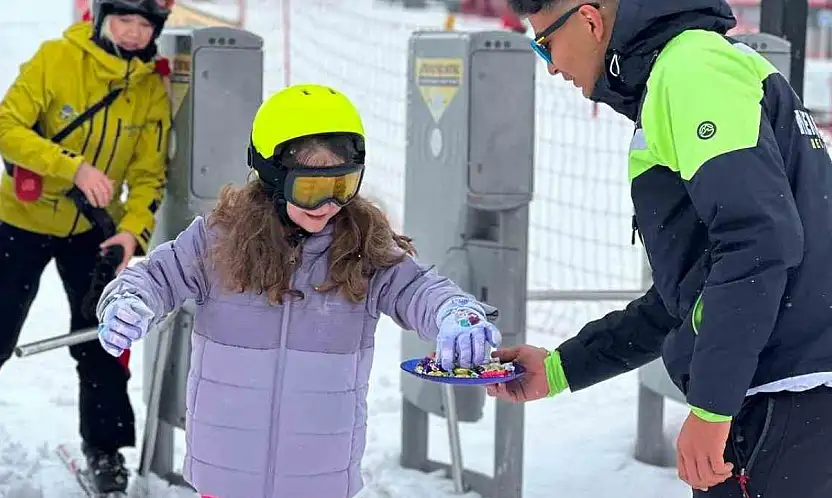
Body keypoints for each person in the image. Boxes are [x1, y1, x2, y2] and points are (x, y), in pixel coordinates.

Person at [490, 1, 832, 497]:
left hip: (783, 401)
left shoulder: (691, 69)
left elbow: (757, 243)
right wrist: (561, 368)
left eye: (545, 44)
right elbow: (691, 297)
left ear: (589, 20)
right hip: (785, 396)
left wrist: (713, 407)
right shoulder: (682, 71)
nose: (553, 66)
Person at [95, 84, 502, 498]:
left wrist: (454, 311)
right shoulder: (219, 240)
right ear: (272, 177)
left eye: (343, 185)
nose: (327, 204)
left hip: (319, 478)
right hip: (227, 471)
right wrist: (127, 300)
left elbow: (418, 289)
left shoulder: (362, 246)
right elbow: (155, 277)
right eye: (310, 188)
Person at [0, 0, 171, 492]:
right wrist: (71, 167)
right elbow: (8, 127)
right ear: (99, 19)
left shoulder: (149, 90)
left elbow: (147, 175)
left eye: (145, 24)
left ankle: (105, 449)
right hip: (20, 220)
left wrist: (130, 233)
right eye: (124, 21)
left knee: (103, 338)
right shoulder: (56, 58)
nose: (135, 33)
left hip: (89, 230)